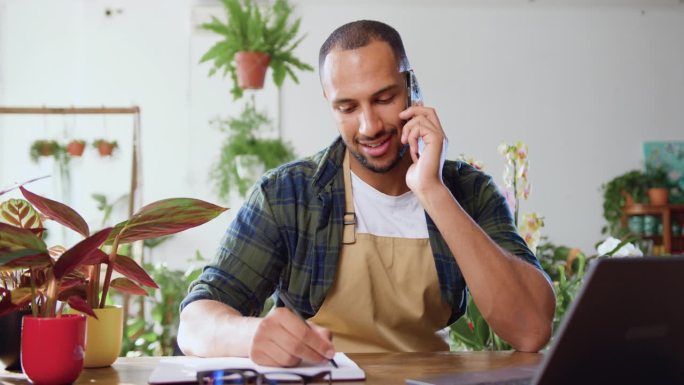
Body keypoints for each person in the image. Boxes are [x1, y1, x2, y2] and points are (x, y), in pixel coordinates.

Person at [178, 20, 555, 367]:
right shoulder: (287, 194)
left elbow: (530, 329)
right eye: (347, 107)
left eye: (383, 99)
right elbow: (194, 322)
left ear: (413, 89)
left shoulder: (469, 192)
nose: (369, 126)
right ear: (329, 104)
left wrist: (431, 190)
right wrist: (251, 334)